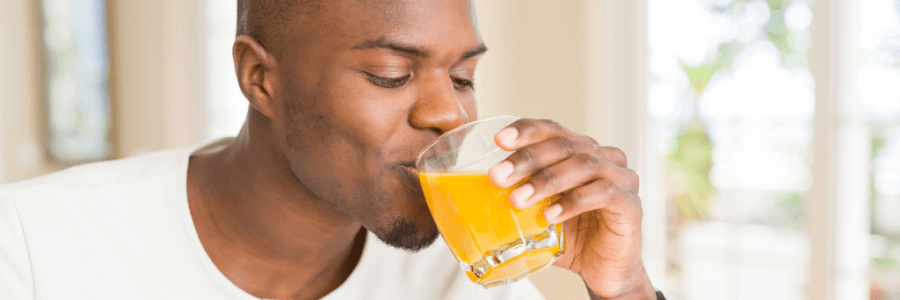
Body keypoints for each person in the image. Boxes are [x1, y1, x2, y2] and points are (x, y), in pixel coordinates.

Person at [0, 0, 664, 299]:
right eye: (391, 75)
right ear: (260, 77)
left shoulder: (464, 273)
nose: (451, 112)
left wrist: (625, 289)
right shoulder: (31, 245)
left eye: (463, 76)